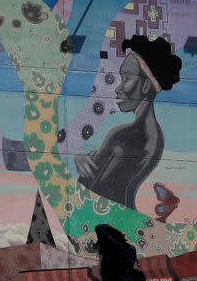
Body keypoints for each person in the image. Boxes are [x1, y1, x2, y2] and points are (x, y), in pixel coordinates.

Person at [75, 35, 181, 209]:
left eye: (126, 78)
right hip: (124, 220)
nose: (118, 87)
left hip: (105, 222)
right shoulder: (156, 136)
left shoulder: (121, 136)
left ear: (146, 85)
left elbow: (88, 189)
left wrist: (80, 159)